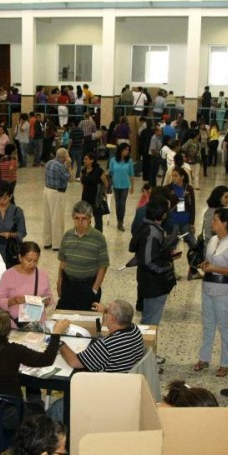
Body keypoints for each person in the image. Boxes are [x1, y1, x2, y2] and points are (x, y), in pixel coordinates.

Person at [0, 312, 68, 409]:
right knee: (37, 409)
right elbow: (46, 359)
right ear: (8, 331)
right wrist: (56, 334)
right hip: (13, 413)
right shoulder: (14, 350)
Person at [194, 208, 228, 376]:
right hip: (207, 286)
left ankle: (225, 362)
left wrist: (216, 268)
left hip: (223, 290)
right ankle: (204, 357)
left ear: (225, 223)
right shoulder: (213, 240)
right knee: (208, 324)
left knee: (224, 327)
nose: (212, 223)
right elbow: (210, 259)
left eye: (215, 220)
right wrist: (206, 265)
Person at [57, 299, 145, 373]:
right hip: (128, 379)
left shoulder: (107, 345)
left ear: (112, 319)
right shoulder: (135, 330)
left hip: (107, 386)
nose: (105, 314)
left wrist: (58, 339)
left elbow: (74, 362)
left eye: (107, 312)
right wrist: (106, 310)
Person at [130, 196, 177, 325]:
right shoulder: (152, 232)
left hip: (149, 282)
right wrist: (167, 266)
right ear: (162, 215)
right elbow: (148, 261)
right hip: (155, 284)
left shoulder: (147, 227)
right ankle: (144, 345)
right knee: (150, 322)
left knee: (149, 318)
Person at [57, 201, 110, 311]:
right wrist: (59, 282)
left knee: (88, 320)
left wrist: (95, 288)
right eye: (77, 218)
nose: (80, 222)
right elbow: (63, 262)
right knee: (63, 315)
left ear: (90, 218)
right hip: (68, 286)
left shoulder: (99, 238)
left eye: (84, 218)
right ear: (73, 218)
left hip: (88, 287)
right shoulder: (67, 235)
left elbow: (103, 266)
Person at [0, 242, 55, 329]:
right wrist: (13, 301)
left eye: (35, 261)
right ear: (20, 257)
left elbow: (50, 298)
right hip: (15, 325)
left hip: (38, 324)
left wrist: (46, 301)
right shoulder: (8, 275)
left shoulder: (43, 275)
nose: (32, 264)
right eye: (28, 260)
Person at [0, 181, 27, 269]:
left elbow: (22, 232)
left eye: (5, 198)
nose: (2, 201)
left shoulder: (17, 211)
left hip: (11, 252)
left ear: (10, 196)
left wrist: (10, 234)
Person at [43, 148, 73, 250]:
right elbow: (71, 179)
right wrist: (69, 165)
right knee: (57, 218)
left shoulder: (49, 162)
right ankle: (57, 244)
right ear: (65, 156)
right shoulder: (61, 166)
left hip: (47, 190)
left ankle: (47, 242)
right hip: (56, 193)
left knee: (48, 217)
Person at [106, 143, 135, 231]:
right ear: (120, 150)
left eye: (128, 150)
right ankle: (119, 220)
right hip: (115, 184)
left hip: (125, 185)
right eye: (125, 149)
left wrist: (132, 186)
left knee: (122, 203)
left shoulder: (129, 161)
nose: (127, 152)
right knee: (117, 204)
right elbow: (110, 172)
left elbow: (132, 174)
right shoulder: (113, 160)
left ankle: (120, 222)